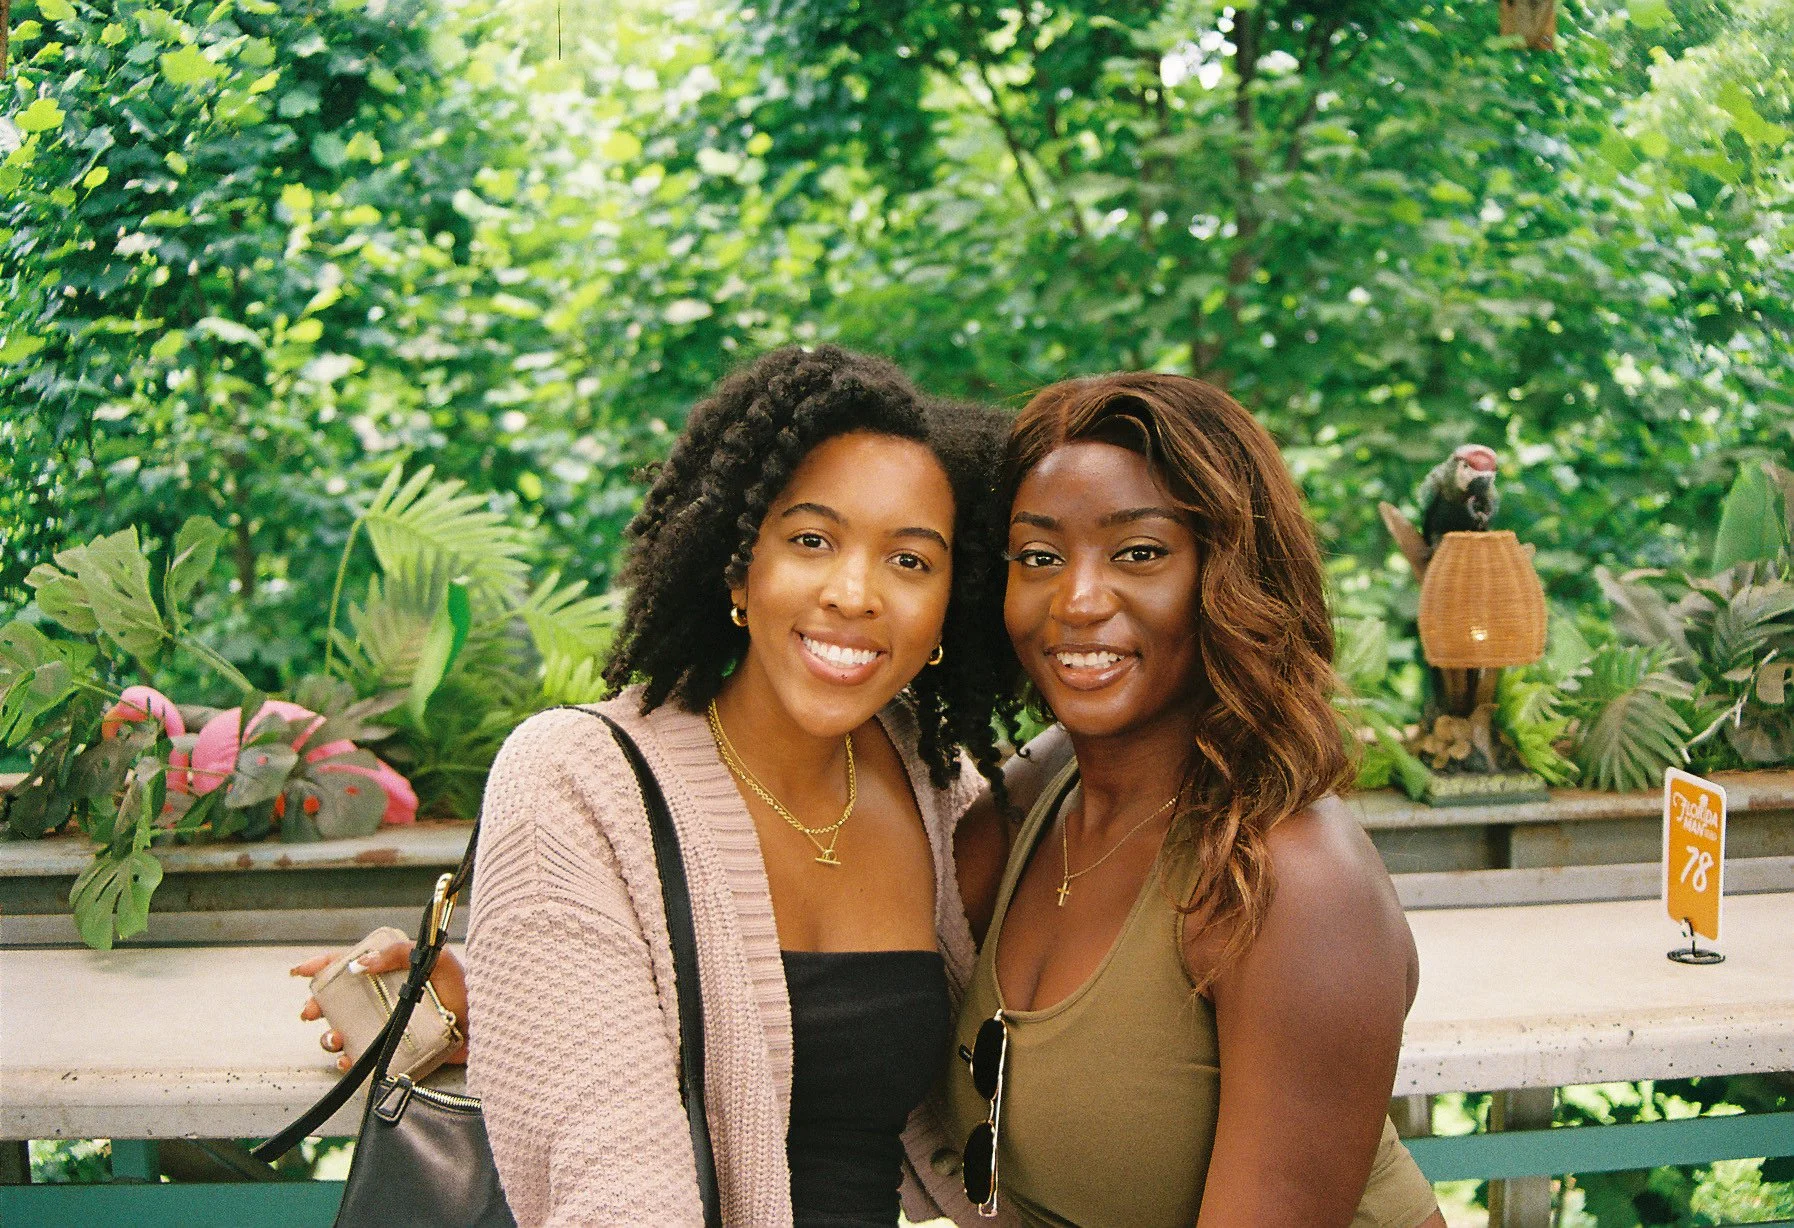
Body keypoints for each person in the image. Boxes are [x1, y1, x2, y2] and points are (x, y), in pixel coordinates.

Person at [463, 345, 1023, 1226]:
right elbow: (616, 1192)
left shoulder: (937, 787)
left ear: (953, 600)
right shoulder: (576, 781)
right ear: (737, 566)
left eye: (910, 561)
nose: (854, 592)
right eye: (812, 540)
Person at [917, 372, 1444, 1228]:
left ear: (1228, 575)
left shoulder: (1292, 878)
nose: (1078, 601)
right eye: (1039, 558)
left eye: (1139, 553)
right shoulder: (1038, 797)